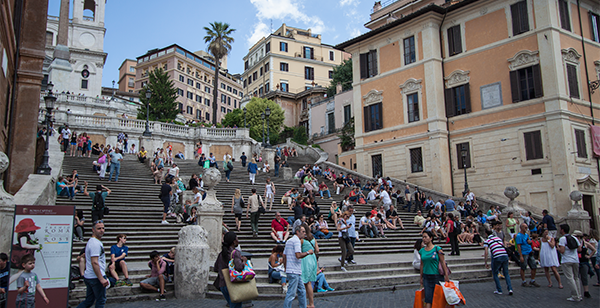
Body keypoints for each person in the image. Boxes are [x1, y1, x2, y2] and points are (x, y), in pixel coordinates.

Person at [77, 221, 108, 308]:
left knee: (89, 300)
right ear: (93, 230)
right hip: (96, 277)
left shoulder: (93, 242)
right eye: (99, 228)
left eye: (103, 228)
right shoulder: (95, 243)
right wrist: (101, 278)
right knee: (101, 300)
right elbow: (94, 262)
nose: (101, 230)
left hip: (90, 276)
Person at [283, 225, 314, 308]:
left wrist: (286, 267)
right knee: (291, 293)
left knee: (302, 291)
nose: (304, 233)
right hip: (294, 271)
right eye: (303, 232)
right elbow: (298, 255)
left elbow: (284, 255)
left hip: (293, 270)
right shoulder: (297, 241)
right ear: (298, 232)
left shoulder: (289, 241)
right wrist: (308, 252)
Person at [419, 230, 449, 308]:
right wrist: (421, 277)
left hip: (437, 276)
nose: (424, 239)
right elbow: (422, 264)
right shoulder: (422, 251)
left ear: (431, 238)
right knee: (428, 299)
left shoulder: (437, 249)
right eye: (423, 237)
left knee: (437, 298)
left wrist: (446, 275)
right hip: (426, 277)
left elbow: (443, 262)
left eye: (425, 237)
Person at [483, 228, 513, 295]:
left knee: (495, 273)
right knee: (506, 273)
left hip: (497, 256)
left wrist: (486, 262)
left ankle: (499, 289)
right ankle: (510, 289)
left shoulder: (487, 240)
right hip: (505, 255)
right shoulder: (498, 239)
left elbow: (486, 252)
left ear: (486, 234)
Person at [558, 224, 583, 301]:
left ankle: (575, 296)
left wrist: (557, 247)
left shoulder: (562, 239)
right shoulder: (574, 238)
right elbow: (579, 249)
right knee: (576, 277)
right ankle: (579, 294)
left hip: (566, 260)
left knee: (570, 278)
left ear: (562, 230)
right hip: (575, 260)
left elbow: (562, 251)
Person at [515, 223, 539, 287]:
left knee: (534, 267)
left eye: (526, 227)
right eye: (525, 227)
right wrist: (521, 256)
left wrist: (530, 243)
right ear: (521, 228)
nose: (526, 228)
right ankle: (524, 281)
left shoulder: (526, 235)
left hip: (529, 252)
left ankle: (532, 280)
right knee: (523, 268)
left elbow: (530, 242)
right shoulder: (519, 236)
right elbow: (518, 246)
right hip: (524, 253)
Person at [300, 223, 319, 308]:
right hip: (313, 259)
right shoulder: (313, 238)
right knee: (308, 281)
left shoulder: (302, 240)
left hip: (306, 259)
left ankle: (311, 303)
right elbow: (317, 250)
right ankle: (306, 301)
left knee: (306, 282)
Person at [574, 230, 595, 299]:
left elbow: (594, 250)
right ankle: (577, 291)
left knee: (584, 277)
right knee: (576, 277)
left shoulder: (585, 243)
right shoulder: (573, 243)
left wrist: (589, 256)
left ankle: (586, 291)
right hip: (576, 261)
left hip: (583, 261)